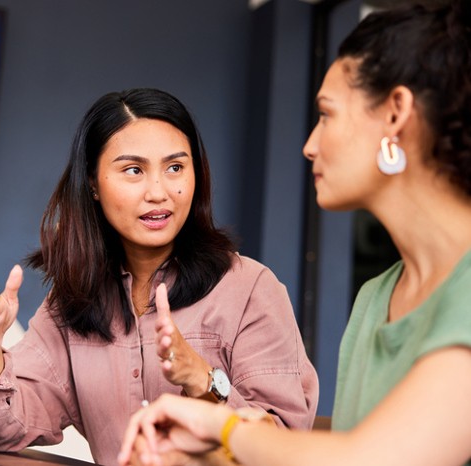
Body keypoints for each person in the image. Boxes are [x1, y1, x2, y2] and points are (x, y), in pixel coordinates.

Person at [118, 1, 471, 465]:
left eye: (326, 114)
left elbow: (370, 458)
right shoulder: (376, 299)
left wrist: (222, 426)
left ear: (395, 114)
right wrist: (203, 451)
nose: (309, 145)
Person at [0, 88, 318, 465]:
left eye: (175, 168)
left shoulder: (250, 289)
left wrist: (202, 379)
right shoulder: (73, 301)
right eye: (134, 170)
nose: (158, 192)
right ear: (93, 184)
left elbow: (284, 448)